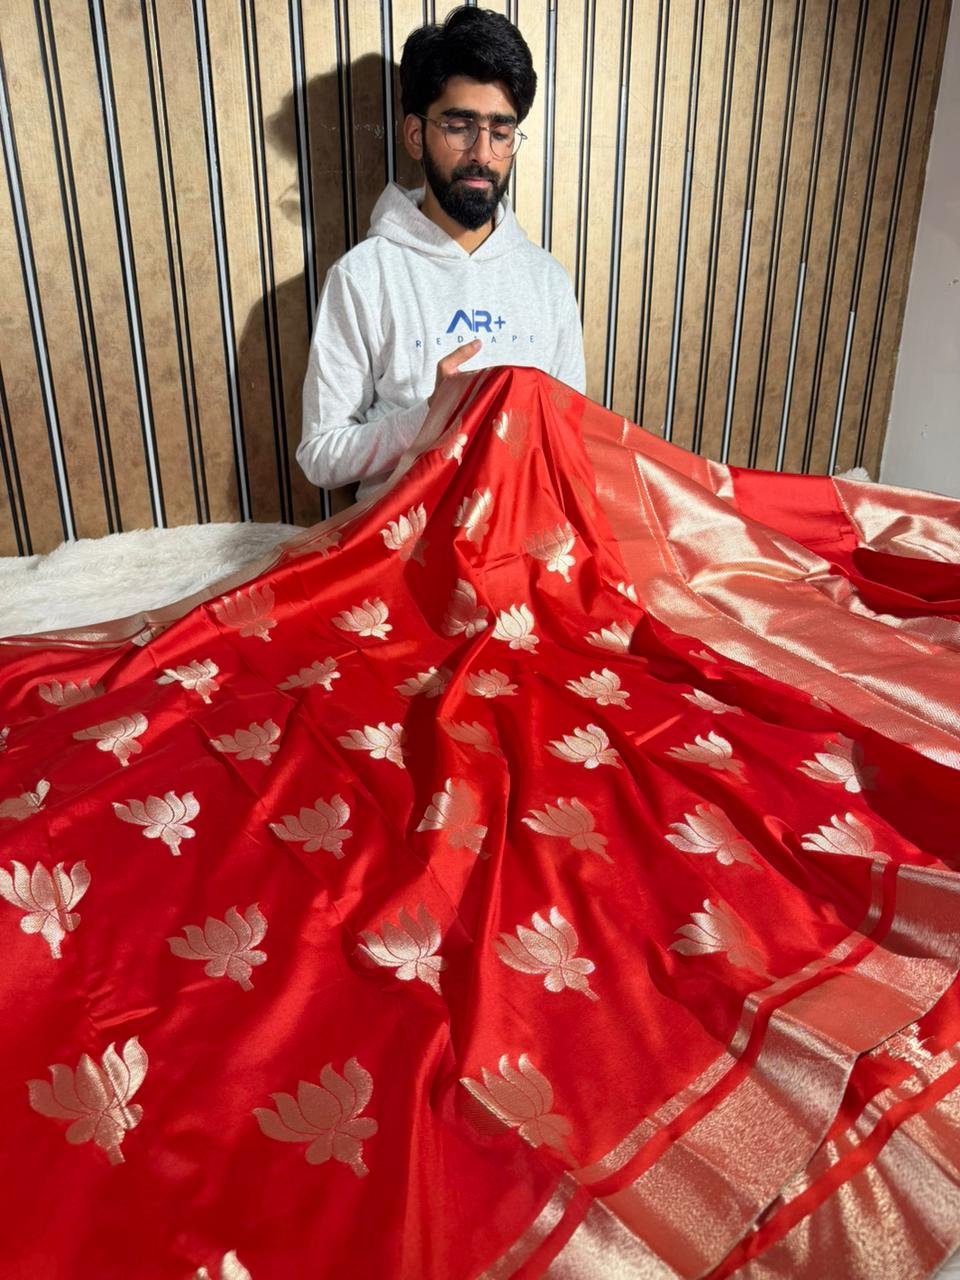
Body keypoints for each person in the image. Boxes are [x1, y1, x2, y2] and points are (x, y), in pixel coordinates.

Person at [297, 6, 586, 500]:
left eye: (501, 132)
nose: (482, 154)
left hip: (523, 530)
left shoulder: (548, 281)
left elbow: (570, 437)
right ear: (416, 135)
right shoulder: (363, 276)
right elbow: (320, 456)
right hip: (406, 536)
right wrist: (426, 419)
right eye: (459, 126)